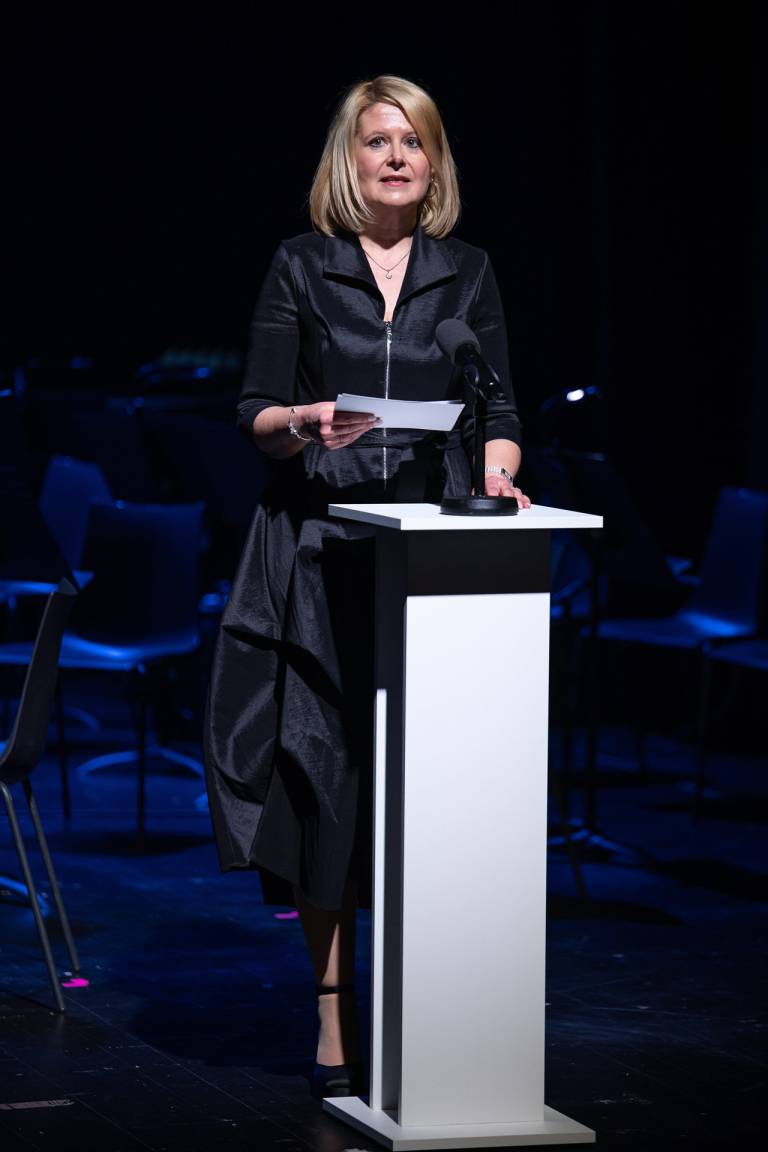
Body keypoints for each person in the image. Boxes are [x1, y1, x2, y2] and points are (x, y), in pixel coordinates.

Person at [203, 74, 531, 1099]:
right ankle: (334, 1007)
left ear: (435, 163)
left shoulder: (468, 272)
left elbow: (498, 411)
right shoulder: (301, 265)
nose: (397, 158)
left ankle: (438, 1001)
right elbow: (255, 414)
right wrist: (305, 422)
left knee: (427, 788)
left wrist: (500, 473)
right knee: (327, 785)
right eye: (378, 141)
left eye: (414, 142)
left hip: (428, 560)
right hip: (318, 551)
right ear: (348, 160)